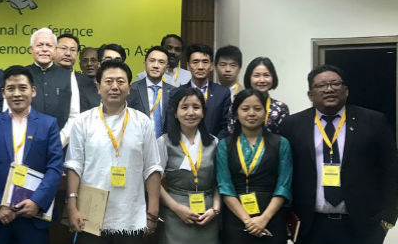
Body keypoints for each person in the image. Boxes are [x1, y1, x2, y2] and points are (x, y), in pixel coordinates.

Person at [279, 65, 398, 244]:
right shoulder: (292, 125)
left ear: (346, 91)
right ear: (310, 94)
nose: (329, 89)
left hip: (362, 226)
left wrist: (387, 219)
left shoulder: (374, 121)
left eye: (335, 83)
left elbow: (391, 171)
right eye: (321, 85)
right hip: (310, 226)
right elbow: (284, 173)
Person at [65, 59, 163, 242]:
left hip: (131, 217)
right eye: (108, 81)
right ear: (99, 86)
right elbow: (74, 166)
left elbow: (152, 167)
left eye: (120, 81)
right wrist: (72, 206)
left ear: (129, 87)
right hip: (90, 216)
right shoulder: (83, 121)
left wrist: (153, 209)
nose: (115, 87)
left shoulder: (142, 122)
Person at [0, 66, 64, 243]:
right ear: (3, 93)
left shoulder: (49, 124)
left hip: (33, 215)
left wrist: (37, 202)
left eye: (22, 88)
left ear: (33, 91)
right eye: (10, 88)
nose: (17, 94)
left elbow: (54, 167)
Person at [215, 88, 291, 243]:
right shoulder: (224, 145)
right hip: (236, 219)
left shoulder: (281, 143)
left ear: (265, 112)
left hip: (271, 218)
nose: (251, 113)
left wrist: (264, 218)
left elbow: (283, 186)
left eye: (257, 109)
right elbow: (225, 186)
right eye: (245, 109)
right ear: (236, 113)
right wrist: (247, 220)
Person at [157, 85, 220, 244]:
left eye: (196, 107)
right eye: (184, 107)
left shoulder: (214, 143)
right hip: (175, 214)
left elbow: (220, 181)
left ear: (203, 112)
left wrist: (215, 209)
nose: (191, 113)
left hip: (208, 215)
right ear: (175, 113)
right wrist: (176, 208)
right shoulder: (164, 142)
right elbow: (153, 182)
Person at [27, 28, 79, 146]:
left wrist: (59, 140)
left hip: (60, 145)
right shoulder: (23, 74)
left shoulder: (68, 76)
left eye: (49, 45)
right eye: (40, 45)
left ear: (55, 50)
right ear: (31, 49)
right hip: (26, 143)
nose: (44, 49)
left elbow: (74, 115)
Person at [230, 57, 289, 134]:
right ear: (249, 78)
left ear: (273, 77)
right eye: (256, 75)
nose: (262, 80)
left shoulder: (281, 108)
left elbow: (283, 139)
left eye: (266, 75)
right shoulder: (237, 105)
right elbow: (231, 135)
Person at [128, 46, 176, 138]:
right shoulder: (132, 89)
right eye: (152, 61)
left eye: (161, 62)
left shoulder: (174, 92)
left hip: (167, 146)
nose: (155, 65)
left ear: (166, 67)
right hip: (140, 143)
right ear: (145, 64)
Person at [185, 44, 231, 137]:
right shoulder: (177, 93)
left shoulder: (223, 93)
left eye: (205, 62)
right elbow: (172, 125)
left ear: (211, 66)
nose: (200, 67)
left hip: (214, 147)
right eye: (195, 62)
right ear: (188, 66)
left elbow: (226, 126)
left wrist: (214, 144)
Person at [55, 34, 98, 113]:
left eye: (73, 50)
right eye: (63, 48)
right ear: (53, 50)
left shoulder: (86, 82)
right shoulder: (43, 78)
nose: (68, 53)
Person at [76, 46, 100, 111]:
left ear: (99, 63)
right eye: (85, 61)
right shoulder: (74, 86)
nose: (89, 64)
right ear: (80, 65)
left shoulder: (107, 86)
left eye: (93, 60)